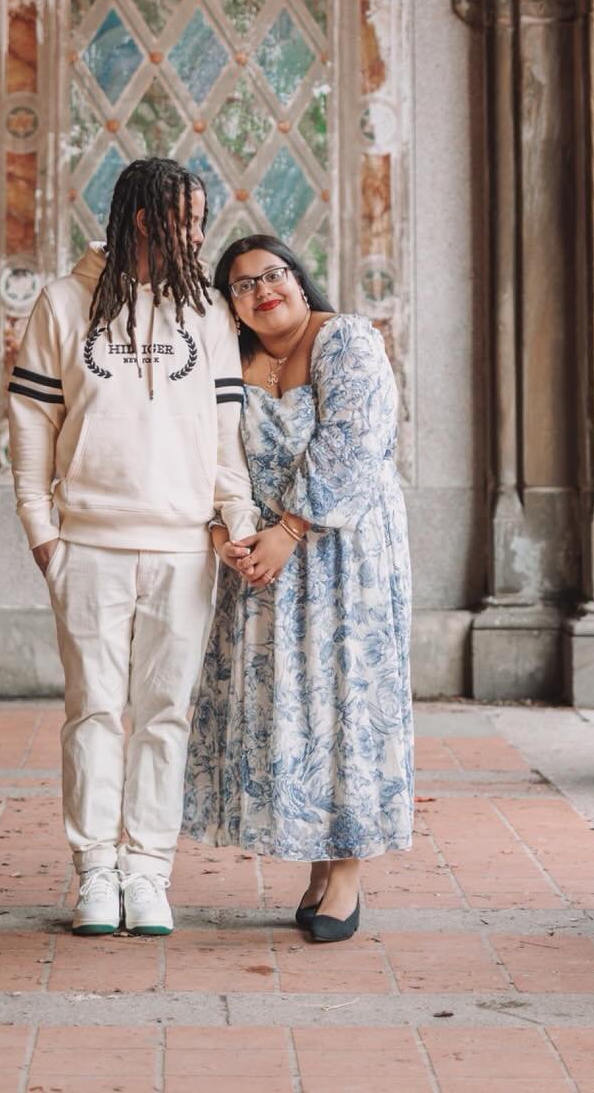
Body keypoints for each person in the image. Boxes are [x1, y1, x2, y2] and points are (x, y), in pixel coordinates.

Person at [7, 158, 259, 940]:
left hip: (184, 550)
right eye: (186, 219)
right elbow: (29, 430)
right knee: (93, 713)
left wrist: (239, 524)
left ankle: (148, 873)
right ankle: (95, 874)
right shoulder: (62, 303)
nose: (199, 233)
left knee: (162, 718)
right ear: (144, 219)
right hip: (88, 546)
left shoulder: (209, 314)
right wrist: (43, 536)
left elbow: (224, 438)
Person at [182, 234, 413, 944]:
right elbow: (203, 451)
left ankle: (345, 869)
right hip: (264, 563)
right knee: (292, 712)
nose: (262, 290)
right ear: (232, 306)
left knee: (345, 702)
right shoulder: (232, 363)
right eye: (243, 285)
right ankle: (316, 861)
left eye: (272, 274)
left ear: (299, 278)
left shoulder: (346, 340)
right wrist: (227, 534)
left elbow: (353, 440)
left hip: (344, 554)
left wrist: (290, 529)